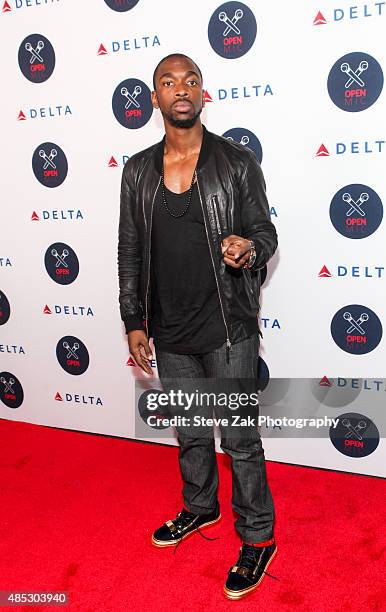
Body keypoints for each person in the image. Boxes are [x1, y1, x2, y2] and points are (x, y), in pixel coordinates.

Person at [117, 53, 278, 600]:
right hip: (169, 328)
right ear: (155, 98)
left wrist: (251, 247)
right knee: (189, 432)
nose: (180, 89)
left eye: (191, 80)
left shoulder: (235, 163)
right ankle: (200, 507)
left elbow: (265, 232)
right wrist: (133, 320)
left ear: (203, 94)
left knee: (238, 439)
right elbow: (131, 250)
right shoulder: (137, 170)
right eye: (168, 81)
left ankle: (258, 536)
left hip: (228, 327)